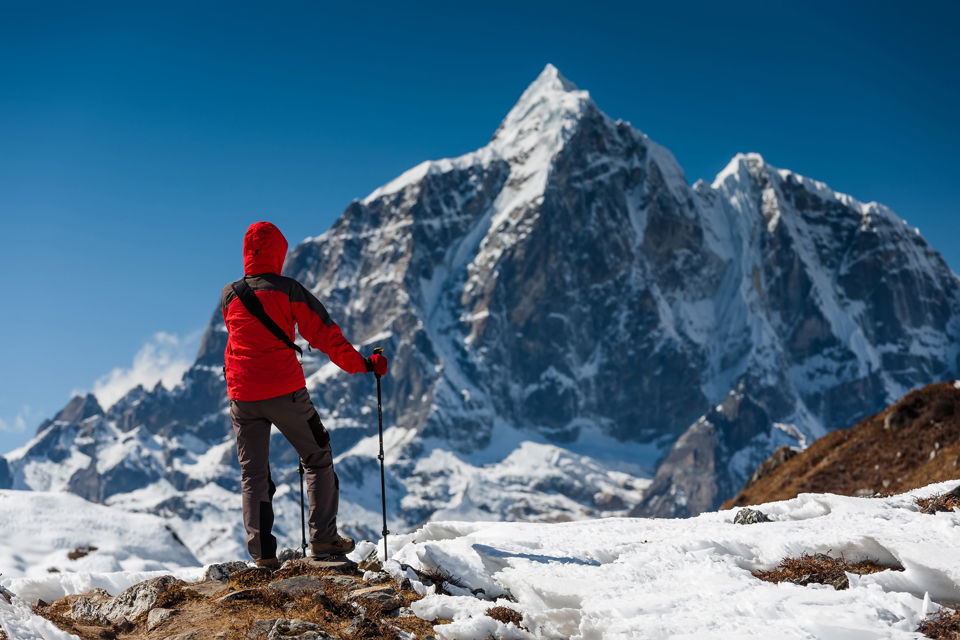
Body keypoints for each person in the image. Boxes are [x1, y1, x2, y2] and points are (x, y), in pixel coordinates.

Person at [221, 221, 388, 569]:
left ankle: (263, 555)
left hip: (243, 397)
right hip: (285, 392)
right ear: (279, 253)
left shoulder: (230, 295)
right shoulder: (289, 290)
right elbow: (327, 335)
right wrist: (365, 365)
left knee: (253, 474)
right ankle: (324, 540)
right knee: (317, 454)